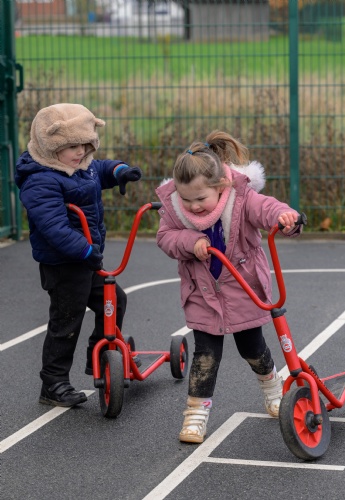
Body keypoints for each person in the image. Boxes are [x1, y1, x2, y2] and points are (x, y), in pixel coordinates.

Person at [155, 130, 301, 443]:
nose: (193, 206)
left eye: (200, 199)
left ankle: (272, 390)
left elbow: (266, 208)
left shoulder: (241, 198)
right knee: (205, 355)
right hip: (202, 293)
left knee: (253, 348)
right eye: (186, 199)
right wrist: (190, 241)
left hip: (243, 288)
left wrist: (284, 216)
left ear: (221, 185)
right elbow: (165, 237)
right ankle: (195, 415)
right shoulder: (175, 208)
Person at [15, 103, 142, 407]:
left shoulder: (81, 165)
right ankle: (53, 383)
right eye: (73, 146)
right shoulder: (40, 180)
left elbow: (99, 170)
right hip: (64, 265)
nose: (81, 152)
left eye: (85, 145)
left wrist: (118, 171)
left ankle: (99, 355)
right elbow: (54, 227)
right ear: (51, 147)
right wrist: (84, 250)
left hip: (87, 260)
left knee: (114, 302)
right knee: (66, 323)